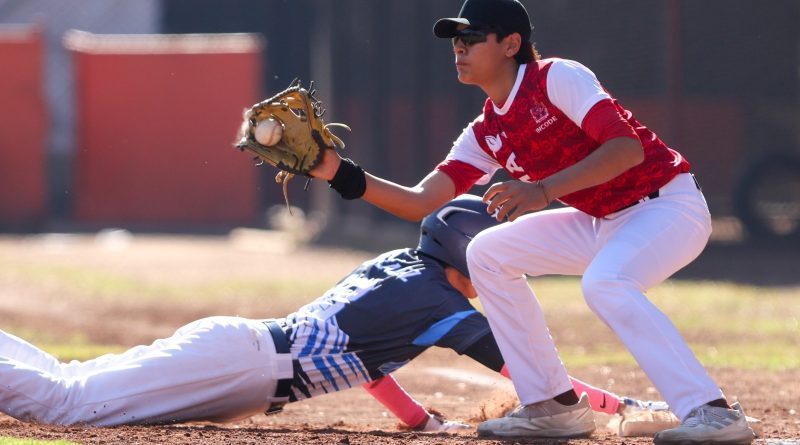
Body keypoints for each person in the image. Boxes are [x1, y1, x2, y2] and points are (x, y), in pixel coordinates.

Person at [309, 1, 756, 443]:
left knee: (605, 283)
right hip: (604, 220)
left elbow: (626, 149)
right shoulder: (486, 131)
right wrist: (337, 172)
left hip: (668, 206)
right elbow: (419, 201)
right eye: (455, 40)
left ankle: (712, 411)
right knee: (487, 252)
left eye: (471, 37)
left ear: (511, 44)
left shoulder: (556, 77)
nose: (459, 48)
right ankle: (552, 406)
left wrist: (541, 191)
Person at [0, 196, 666, 434]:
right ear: (470, 250)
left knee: (69, 381)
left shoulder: (404, 270)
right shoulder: (436, 300)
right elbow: (533, 373)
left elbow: (368, 363)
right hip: (241, 366)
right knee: (65, 404)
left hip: (238, 355)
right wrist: (624, 405)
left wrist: (420, 421)